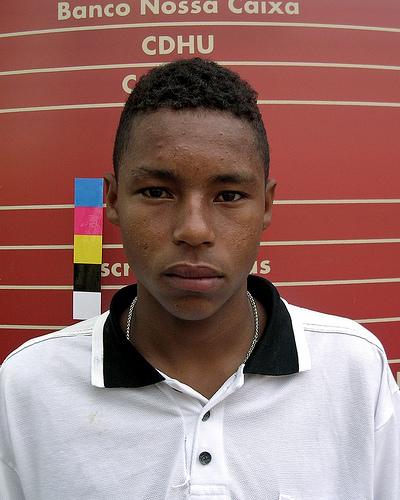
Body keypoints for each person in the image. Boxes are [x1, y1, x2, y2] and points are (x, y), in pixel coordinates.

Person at [0, 58, 399, 500]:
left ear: (266, 206)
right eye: (156, 192)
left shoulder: (354, 370)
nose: (194, 230)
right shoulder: (28, 386)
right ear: (112, 200)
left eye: (229, 195)